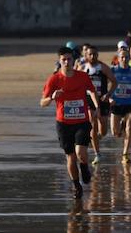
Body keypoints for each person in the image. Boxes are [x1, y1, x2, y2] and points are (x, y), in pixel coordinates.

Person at [40, 46, 97, 199]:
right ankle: (76, 186)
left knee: (80, 153)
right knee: (70, 157)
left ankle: (84, 166)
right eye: (63, 59)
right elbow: (42, 103)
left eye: (69, 59)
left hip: (82, 121)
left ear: (73, 60)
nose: (66, 62)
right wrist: (52, 97)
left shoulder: (82, 76)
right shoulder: (54, 79)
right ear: (59, 61)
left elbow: (92, 91)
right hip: (64, 123)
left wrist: (97, 107)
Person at [81, 45, 116, 165]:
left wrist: (108, 94)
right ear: (86, 55)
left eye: (95, 54)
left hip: (102, 99)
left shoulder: (103, 67)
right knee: (92, 124)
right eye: (90, 54)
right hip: (89, 100)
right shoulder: (83, 68)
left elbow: (114, 82)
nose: (92, 56)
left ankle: (97, 137)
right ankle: (97, 154)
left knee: (103, 130)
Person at [110, 46, 131, 162]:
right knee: (115, 132)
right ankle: (121, 124)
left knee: (129, 129)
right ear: (118, 59)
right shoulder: (112, 70)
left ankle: (125, 154)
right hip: (116, 103)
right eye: (122, 57)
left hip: (130, 103)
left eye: (126, 57)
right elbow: (105, 86)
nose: (124, 59)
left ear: (129, 58)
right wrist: (109, 98)